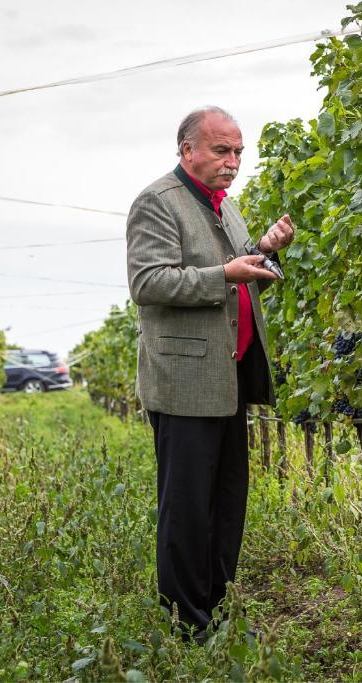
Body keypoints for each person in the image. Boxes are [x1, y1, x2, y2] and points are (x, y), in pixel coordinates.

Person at [125, 106, 294, 642]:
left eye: (239, 151)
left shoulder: (230, 207)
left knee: (226, 501)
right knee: (188, 507)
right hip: (183, 381)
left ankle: (216, 610)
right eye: (222, 150)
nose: (233, 161)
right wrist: (225, 272)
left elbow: (239, 277)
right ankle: (184, 622)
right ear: (187, 151)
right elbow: (149, 283)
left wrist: (262, 252)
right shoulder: (158, 203)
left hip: (229, 377)